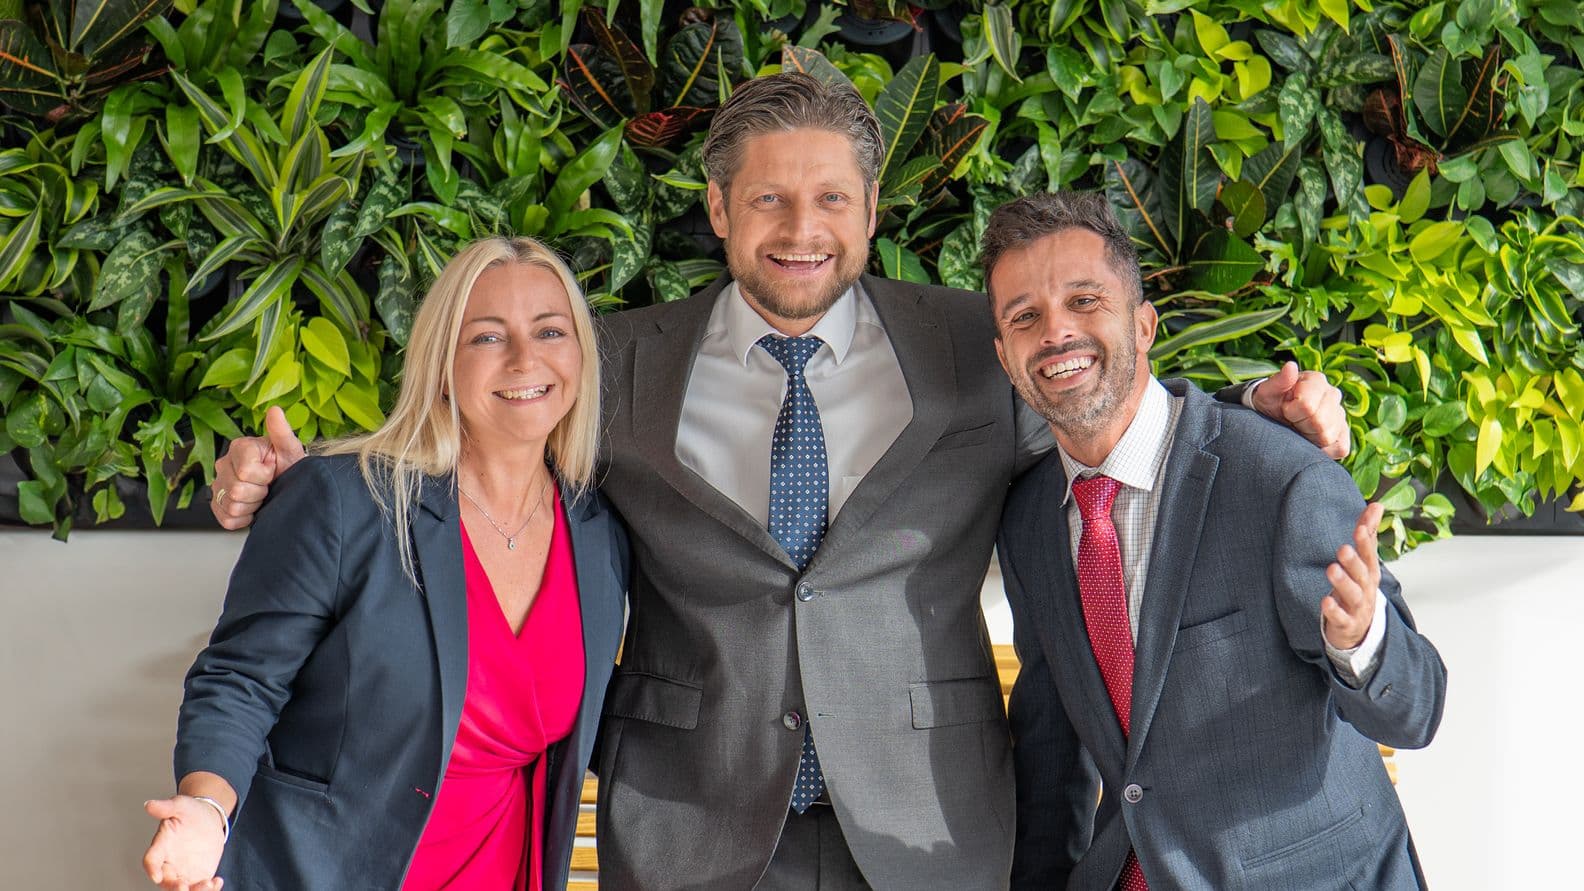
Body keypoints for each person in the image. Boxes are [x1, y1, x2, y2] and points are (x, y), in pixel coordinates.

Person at [208, 74, 1350, 890]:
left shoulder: (976, 345)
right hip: (693, 818)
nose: (801, 231)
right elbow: (489, 426)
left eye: (831, 201)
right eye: (767, 201)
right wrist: (305, 476)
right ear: (718, 211)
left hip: (926, 824)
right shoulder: (621, 358)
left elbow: (1103, 395)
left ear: (870, 210)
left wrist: (1262, 407)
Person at [984, 191, 1447, 890]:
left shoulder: (1277, 477)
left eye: (1085, 301)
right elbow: (1053, 762)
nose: (1056, 333)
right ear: (1005, 356)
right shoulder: (1028, 524)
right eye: (1026, 316)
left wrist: (1361, 638)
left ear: (1144, 325)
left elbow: (1414, 709)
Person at [142, 237, 628, 891]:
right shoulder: (345, 500)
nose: (525, 358)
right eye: (487, 337)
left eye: (550, 330)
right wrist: (206, 809)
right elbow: (239, 681)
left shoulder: (599, 533)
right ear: (442, 360)